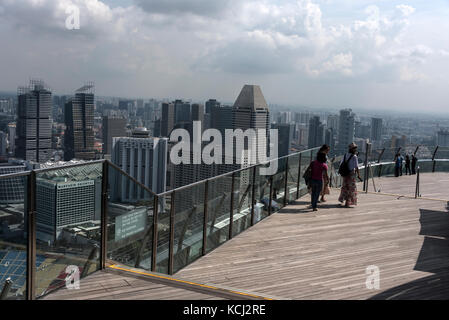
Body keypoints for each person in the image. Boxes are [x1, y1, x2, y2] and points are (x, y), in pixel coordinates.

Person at [338, 143, 362, 207]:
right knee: (351, 188)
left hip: (345, 174)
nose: (355, 149)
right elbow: (356, 167)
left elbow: (341, 164)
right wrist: (359, 175)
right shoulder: (354, 156)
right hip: (351, 174)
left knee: (345, 187)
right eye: (355, 148)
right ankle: (348, 202)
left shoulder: (345, 155)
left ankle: (345, 200)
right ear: (353, 149)